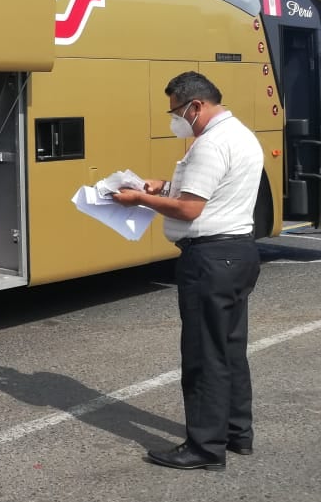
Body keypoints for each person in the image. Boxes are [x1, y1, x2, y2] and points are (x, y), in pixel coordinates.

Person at [112, 71, 263, 471]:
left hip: (209, 258)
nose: (174, 118)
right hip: (238, 252)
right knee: (230, 348)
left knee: (203, 354)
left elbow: (191, 209)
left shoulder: (210, 144)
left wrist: (140, 200)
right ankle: (237, 433)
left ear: (196, 105)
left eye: (176, 110)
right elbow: (211, 190)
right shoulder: (241, 134)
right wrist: (163, 185)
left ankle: (204, 447)